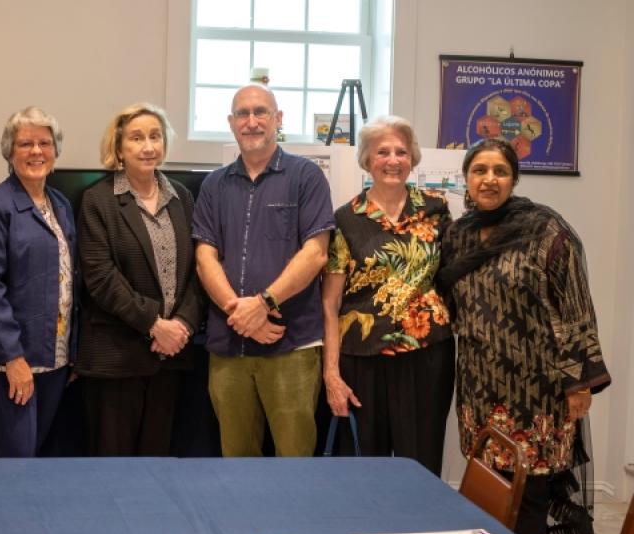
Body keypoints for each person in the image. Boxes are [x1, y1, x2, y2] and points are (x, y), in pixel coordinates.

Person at [437, 138, 611, 534]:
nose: (489, 179)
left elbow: (575, 308)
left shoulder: (546, 230)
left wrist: (579, 383)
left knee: (530, 493)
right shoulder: (458, 236)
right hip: (479, 387)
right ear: (466, 177)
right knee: (489, 492)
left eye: (500, 171)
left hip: (538, 391)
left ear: (514, 179)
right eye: (480, 170)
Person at [192, 84, 334, 457]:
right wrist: (239, 313)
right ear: (231, 122)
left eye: (261, 112)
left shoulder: (306, 177)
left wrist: (264, 301)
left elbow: (316, 253)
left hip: (291, 347)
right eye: (243, 113)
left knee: (294, 464)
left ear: (278, 119)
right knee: (236, 465)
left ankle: (293, 521)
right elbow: (205, 258)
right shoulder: (213, 185)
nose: (251, 121)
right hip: (229, 349)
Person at [321, 115, 455, 474]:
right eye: (383, 152)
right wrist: (331, 375)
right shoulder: (346, 219)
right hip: (361, 358)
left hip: (427, 355)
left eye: (401, 151)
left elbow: (454, 278)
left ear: (412, 158)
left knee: (422, 461)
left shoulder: (437, 211)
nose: (393, 160)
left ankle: (420, 528)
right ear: (367, 160)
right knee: (364, 466)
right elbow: (330, 303)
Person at [76, 103, 204, 455]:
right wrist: (154, 324)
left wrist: (181, 324)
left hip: (171, 355)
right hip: (117, 358)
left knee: (157, 464)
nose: (148, 146)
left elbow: (199, 270)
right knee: (113, 470)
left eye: (155, 136)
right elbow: (101, 278)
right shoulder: (98, 200)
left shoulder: (182, 197)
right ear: (118, 148)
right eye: (136, 138)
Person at [0, 107, 76, 457]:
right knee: (17, 459)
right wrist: (13, 358)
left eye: (45, 143)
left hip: (53, 359)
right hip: (7, 362)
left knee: (32, 457)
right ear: (9, 152)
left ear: (56, 151)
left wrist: (70, 353)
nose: (36, 151)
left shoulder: (60, 204)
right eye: (25, 143)